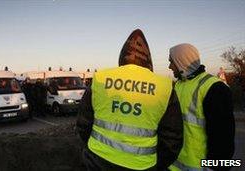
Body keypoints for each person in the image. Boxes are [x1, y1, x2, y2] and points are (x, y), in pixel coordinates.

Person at [77, 29, 183, 170]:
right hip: (142, 165)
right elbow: (172, 138)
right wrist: (158, 165)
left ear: (122, 55)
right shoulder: (165, 87)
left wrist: (93, 151)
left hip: (96, 161)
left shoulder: (100, 78)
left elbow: (83, 124)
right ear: (148, 58)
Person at [168, 43, 235, 171]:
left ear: (181, 62)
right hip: (175, 165)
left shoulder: (214, 88)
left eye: (172, 62)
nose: (170, 66)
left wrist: (217, 167)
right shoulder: (179, 85)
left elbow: (223, 137)